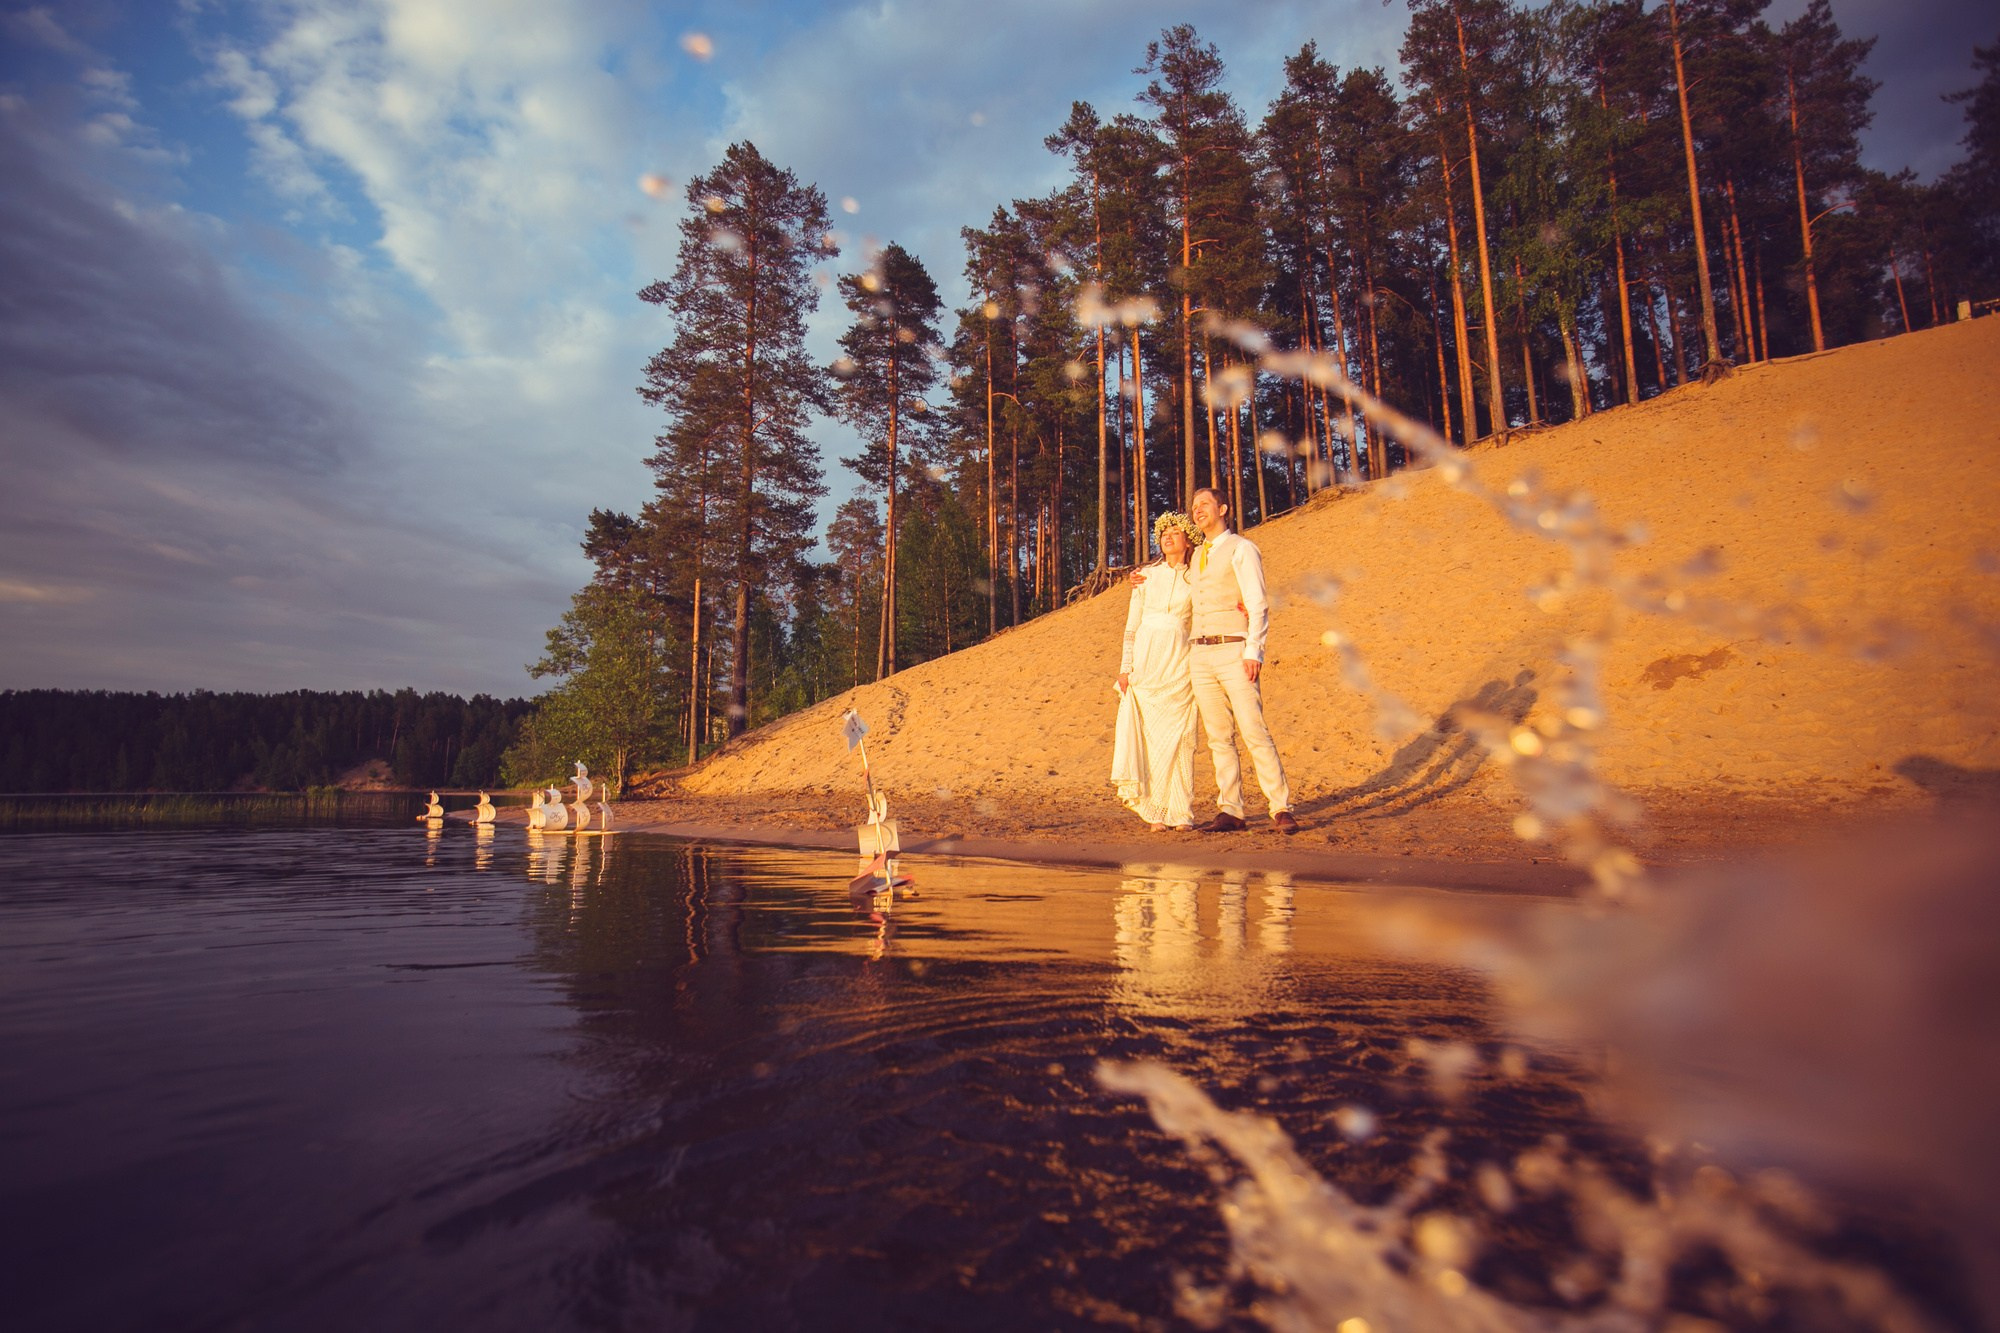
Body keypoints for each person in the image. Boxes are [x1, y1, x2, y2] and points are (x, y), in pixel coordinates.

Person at [1185, 486, 1298, 834]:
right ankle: (1231, 809)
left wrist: (1254, 651)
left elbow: (1258, 602)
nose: (1197, 510)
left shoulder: (1243, 549)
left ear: (1223, 508)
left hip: (1234, 648)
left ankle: (1280, 806)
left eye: (1204, 504)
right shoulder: (1195, 555)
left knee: (1253, 730)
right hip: (1200, 653)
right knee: (1219, 736)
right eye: (1193, 506)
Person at [1111, 511, 1202, 831]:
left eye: (1176, 533)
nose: (1167, 537)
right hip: (1147, 663)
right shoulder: (1146, 576)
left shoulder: (1196, 577)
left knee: (1181, 738)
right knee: (1149, 739)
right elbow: (1132, 625)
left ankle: (1181, 812)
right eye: (1164, 532)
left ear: (1187, 541)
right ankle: (1155, 811)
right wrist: (1125, 668)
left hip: (1179, 664)